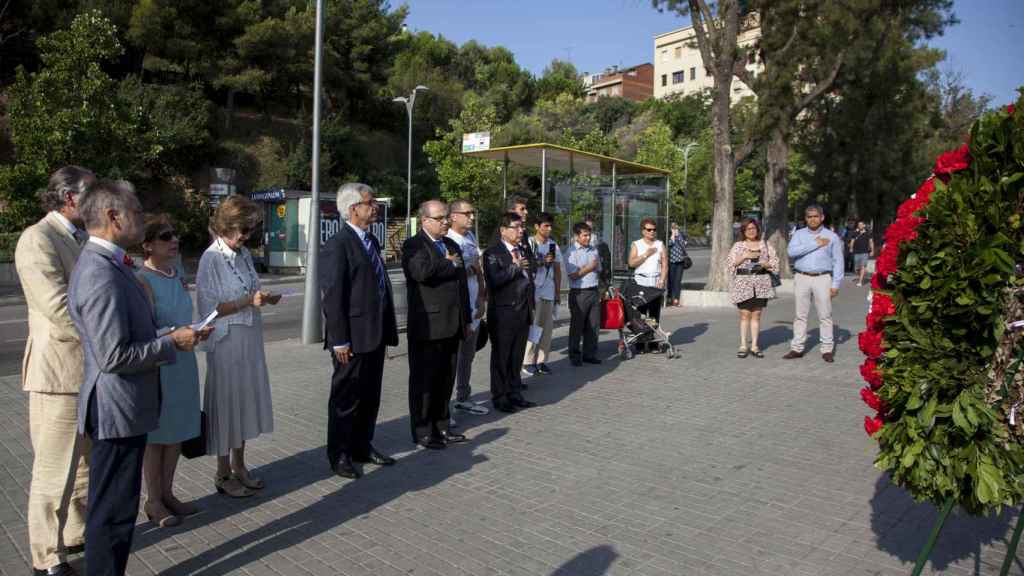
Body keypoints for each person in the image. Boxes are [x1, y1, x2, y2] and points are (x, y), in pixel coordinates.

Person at [69, 180, 206, 576]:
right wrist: (171, 343)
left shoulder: (112, 264)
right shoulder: (99, 271)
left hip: (125, 405)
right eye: (138, 213)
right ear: (114, 218)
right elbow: (113, 355)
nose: (142, 220)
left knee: (116, 505)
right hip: (116, 406)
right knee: (113, 510)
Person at [16, 166, 94, 576]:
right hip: (58, 373)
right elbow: (59, 307)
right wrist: (107, 337)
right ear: (69, 198)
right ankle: (46, 558)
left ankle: (74, 534)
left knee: (82, 464)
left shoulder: (79, 239)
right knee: (54, 469)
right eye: (91, 193)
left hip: (87, 372)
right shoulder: (37, 239)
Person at [196, 195, 280, 496]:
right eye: (241, 230)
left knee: (243, 403)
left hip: (249, 338)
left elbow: (251, 289)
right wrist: (248, 301)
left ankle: (240, 464)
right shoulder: (211, 258)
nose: (245, 237)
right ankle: (222, 472)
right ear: (226, 226)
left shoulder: (242, 254)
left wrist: (263, 297)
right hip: (226, 340)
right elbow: (209, 308)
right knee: (226, 405)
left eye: (248, 231)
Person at [320, 183, 399, 478]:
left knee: (369, 395)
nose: (375, 207)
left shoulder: (371, 241)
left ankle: (362, 446)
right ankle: (339, 454)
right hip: (350, 338)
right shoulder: (338, 244)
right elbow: (333, 295)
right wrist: (339, 339)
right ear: (354, 209)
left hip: (374, 333)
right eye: (370, 202)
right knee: (345, 398)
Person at [136, 214, 203, 527]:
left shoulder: (178, 274)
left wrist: (198, 331)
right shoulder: (142, 279)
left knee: (176, 430)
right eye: (165, 236)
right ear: (148, 245)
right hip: (160, 361)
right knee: (157, 435)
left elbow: (183, 316)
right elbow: (145, 329)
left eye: (175, 235)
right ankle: (153, 500)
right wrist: (176, 333)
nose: (174, 240)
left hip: (184, 361)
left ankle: (169, 493)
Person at [402, 200, 471, 449]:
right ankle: (422, 431)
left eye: (445, 218)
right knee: (424, 381)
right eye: (440, 218)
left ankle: (442, 426)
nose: (445, 222)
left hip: (453, 323)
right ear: (425, 221)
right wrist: (447, 263)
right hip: (428, 326)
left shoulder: (451, 244)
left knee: (445, 379)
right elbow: (420, 273)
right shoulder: (414, 245)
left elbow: (461, 283)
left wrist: (467, 318)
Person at [483, 212, 536, 413]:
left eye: (522, 227)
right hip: (504, 312)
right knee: (501, 357)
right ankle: (500, 396)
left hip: (523, 310)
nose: (521, 231)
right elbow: (495, 280)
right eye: (516, 227)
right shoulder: (492, 253)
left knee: (516, 356)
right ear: (503, 230)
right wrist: (515, 267)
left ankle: (515, 392)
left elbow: (532, 272)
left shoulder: (524, 249)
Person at [446, 199, 489, 417]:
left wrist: (482, 298)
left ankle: (464, 397)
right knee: (452, 360)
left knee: (468, 356)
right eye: (467, 213)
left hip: (473, 306)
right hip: (457, 310)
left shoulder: (470, 237)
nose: (472, 217)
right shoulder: (447, 240)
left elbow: (478, 268)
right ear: (453, 216)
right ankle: (445, 408)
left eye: (473, 213)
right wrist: (467, 271)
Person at [785, 204, 844, 363]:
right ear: (806, 219)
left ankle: (827, 349)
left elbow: (838, 261)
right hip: (802, 277)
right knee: (800, 315)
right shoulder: (798, 234)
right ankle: (797, 348)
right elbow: (791, 252)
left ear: (822, 217)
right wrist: (815, 244)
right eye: (809, 217)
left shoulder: (832, 236)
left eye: (815, 216)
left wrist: (836, 285)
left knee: (825, 315)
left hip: (823, 278)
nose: (812, 219)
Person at [726, 218, 779, 358]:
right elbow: (730, 264)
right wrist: (744, 256)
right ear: (743, 231)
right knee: (744, 315)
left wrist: (765, 264)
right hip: (743, 284)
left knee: (756, 315)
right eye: (748, 229)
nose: (751, 231)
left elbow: (775, 262)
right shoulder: (738, 246)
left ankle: (755, 345)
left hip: (761, 284)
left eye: (753, 228)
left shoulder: (765, 245)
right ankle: (743, 345)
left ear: (757, 229)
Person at [522, 212, 561, 376]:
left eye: (550, 226)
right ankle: (528, 361)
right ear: (537, 227)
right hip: (534, 291)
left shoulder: (553, 245)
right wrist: (541, 261)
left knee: (547, 329)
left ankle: (541, 360)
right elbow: (526, 266)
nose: (549, 229)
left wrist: (558, 292)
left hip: (549, 291)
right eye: (546, 225)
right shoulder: (530, 243)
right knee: (534, 326)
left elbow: (557, 270)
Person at [564, 222, 602, 366]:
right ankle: (574, 355)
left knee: (593, 325)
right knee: (577, 326)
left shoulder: (594, 250)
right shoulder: (571, 252)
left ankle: (589, 354)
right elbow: (573, 275)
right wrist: (588, 268)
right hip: (579, 292)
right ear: (576, 236)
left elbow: (598, 269)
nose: (587, 238)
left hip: (593, 290)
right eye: (584, 235)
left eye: (589, 235)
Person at [628, 218, 668, 352]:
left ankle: (652, 342)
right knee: (641, 314)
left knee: (654, 314)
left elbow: (664, 265)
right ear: (643, 231)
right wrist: (646, 254)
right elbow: (631, 263)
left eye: (654, 230)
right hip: (641, 282)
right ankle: (640, 342)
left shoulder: (659, 244)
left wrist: (662, 280)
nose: (652, 232)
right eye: (649, 229)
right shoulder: (636, 244)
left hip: (655, 282)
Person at [584, 216, 612, 290]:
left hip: (596, 271)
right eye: (587, 227)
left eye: (591, 227)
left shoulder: (597, 239)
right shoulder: (577, 240)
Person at [667, 222, 689, 307]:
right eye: (672, 227)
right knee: (671, 281)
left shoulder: (681, 235)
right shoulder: (668, 235)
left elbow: (684, 244)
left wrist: (678, 236)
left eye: (675, 227)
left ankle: (676, 299)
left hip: (680, 260)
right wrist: (672, 235)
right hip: (671, 261)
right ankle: (670, 298)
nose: (674, 229)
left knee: (678, 281)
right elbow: (669, 244)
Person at [848, 221, 874, 286]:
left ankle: (860, 281)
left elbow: (871, 242)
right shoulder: (855, 233)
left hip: (865, 252)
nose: (859, 226)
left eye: (861, 224)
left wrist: (872, 250)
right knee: (856, 269)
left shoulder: (868, 233)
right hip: (856, 252)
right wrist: (851, 248)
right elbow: (852, 241)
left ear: (864, 225)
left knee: (863, 266)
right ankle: (861, 275)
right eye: (858, 225)